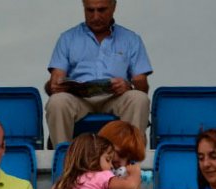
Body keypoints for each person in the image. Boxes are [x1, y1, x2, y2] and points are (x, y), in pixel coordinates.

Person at [45, 0, 152, 146]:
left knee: (139, 99)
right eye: (90, 10)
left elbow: (143, 86)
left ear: (113, 7)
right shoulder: (67, 38)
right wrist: (54, 86)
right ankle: (63, 160)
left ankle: (128, 161)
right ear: (84, 8)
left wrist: (129, 86)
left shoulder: (131, 39)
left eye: (101, 10)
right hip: (79, 99)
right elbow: (54, 81)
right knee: (57, 102)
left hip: (116, 97)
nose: (95, 16)